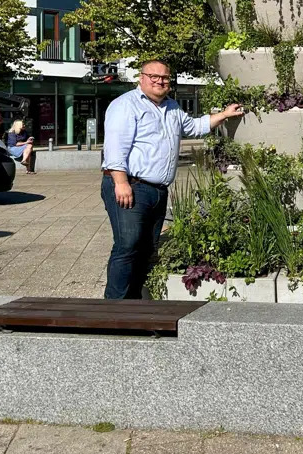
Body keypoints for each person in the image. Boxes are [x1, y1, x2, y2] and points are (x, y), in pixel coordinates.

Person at [101, 59, 244, 299]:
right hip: (131, 186)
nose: (159, 81)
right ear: (141, 77)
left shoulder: (172, 107)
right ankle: (113, 307)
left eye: (165, 77)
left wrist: (224, 114)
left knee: (146, 249)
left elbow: (195, 127)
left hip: (157, 191)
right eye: (153, 76)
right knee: (128, 246)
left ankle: (134, 301)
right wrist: (120, 182)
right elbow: (115, 148)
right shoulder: (125, 105)